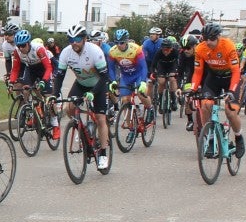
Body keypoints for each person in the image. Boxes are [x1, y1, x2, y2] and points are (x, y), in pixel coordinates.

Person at [52, 24, 111, 169]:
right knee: (69, 108)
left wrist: (93, 93)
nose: (74, 43)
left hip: (98, 85)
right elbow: (59, 76)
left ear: (84, 39)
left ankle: (103, 154)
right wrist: (54, 95)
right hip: (81, 84)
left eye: (77, 39)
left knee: (100, 118)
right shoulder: (66, 53)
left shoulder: (95, 51)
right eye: (71, 39)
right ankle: (82, 129)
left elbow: (105, 77)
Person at [191, 23, 245, 158]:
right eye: (206, 39)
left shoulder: (228, 46)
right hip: (213, 78)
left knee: (230, 112)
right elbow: (198, 72)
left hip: (230, 78)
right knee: (206, 104)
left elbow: (236, 72)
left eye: (212, 39)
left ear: (218, 37)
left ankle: (239, 137)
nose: (208, 42)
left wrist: (231, 91)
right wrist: (192, 88)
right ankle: (210, 138)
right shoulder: (200, 48)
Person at [8, 29, 58, 138]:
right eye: (19, 46)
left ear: (28, 43)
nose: (21, 48)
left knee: (49, 98)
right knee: (25, 90)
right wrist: (11, 83)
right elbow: (15, 69)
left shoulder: (38, 49)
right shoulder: (17, 51)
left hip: (43, 69)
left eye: (23, 45)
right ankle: (30, 113)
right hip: (31, 70)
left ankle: (55, 124)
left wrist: (43, 81)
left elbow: (48, 68)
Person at [107, 28, 152, 120]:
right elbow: (111, 68)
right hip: (126, 76)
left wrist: (143, 81)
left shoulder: (136, 49)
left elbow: (144, 67)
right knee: (125, 100)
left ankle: (150, 109)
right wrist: (113, 81)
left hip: (138, 75)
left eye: (122, 42)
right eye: (116, 43)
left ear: (127, 41)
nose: (119, 45)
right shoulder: (112, 51)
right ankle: (129, 125)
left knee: (141, 94)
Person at [177, 34, 199, 130]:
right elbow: (180, 72)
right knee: (187, 97)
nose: (186, 50)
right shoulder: (183, 55)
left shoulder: (201, 52)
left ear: (195, 46)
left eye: (188, 48)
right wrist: (179, 87)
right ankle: (190, 120)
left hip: (205, 75)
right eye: (183, 48)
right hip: (192, 75)